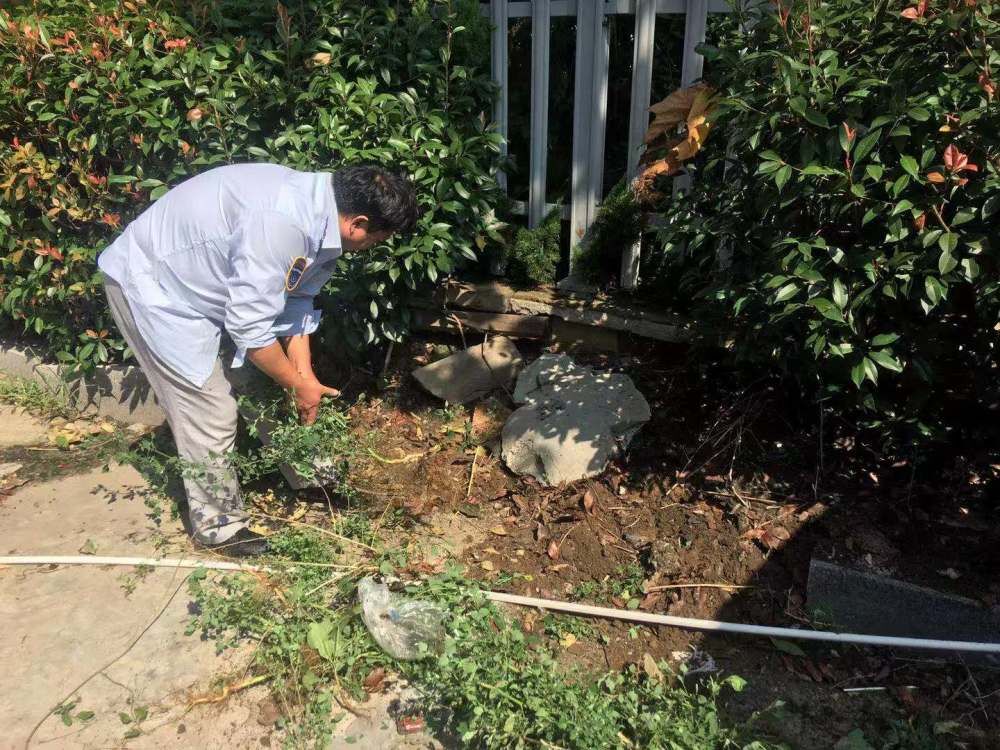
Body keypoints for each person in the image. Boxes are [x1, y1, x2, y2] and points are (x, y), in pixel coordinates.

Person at [99, 163, 419, 557]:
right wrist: (297, 384)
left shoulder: (322, 217)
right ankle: (219, 528)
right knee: (210, 409)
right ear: (359, 224)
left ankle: (311, 477)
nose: (374, 246)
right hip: (155, 285)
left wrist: (303, 376)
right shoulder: (283, 223)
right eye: (379, 239)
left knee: (269, 383)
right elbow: (250, 329)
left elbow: (296, 299)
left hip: (206, 286)